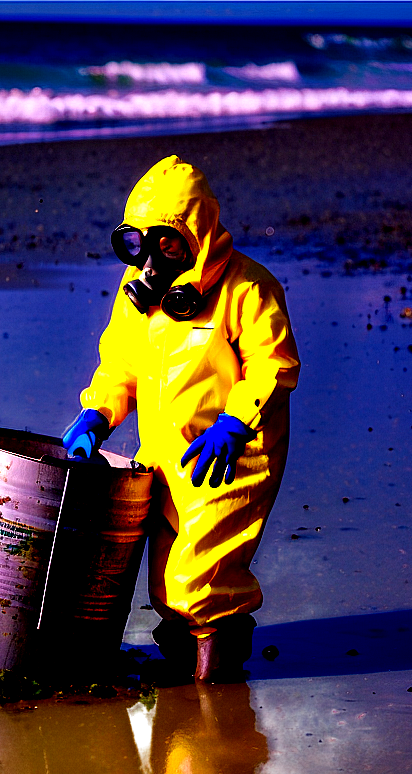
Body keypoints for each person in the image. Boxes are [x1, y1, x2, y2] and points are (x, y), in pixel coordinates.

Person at [63, 155, 300, 682]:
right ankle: (184, 666)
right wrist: (97, 415)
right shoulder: (137, 301)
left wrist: (236, 423)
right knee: (166, 580)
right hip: (165, 456)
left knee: (201, 574)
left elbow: (273, 365)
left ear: (199, 235)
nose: (150, 259)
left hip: (231, 457)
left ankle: (217, 680)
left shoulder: (246, 289)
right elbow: (120, 365)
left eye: (168, 242)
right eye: (137, 242)